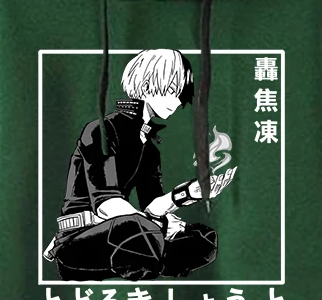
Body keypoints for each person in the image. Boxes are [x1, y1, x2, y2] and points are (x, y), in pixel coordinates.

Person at [43, 49, 236, 281]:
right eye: (172, 90)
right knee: (139, 229)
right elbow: (106, 204)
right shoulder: (101, 130)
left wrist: (188, 193)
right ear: (146, 85)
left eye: (180, 93)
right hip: (82, 238)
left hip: (131, 232)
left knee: (203, 240)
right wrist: (160, 225)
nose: (177, 101)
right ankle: (149, 256)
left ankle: (148, 256)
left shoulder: (149, 148)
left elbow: (151, 206)